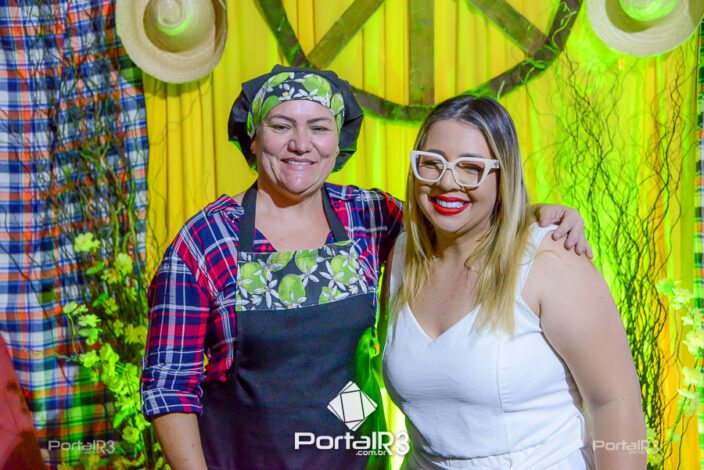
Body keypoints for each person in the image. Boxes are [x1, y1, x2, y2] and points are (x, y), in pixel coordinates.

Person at [141, 65, 592, 470]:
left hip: (357, 455)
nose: (301, 144)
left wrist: (534, 215)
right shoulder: (204, 241)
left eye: (319, 127)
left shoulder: (368, 216)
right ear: (254, 137)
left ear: (339, 142)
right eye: (281, 126)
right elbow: (169, 387)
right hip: (246, 455)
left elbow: (456, 217)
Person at [381, 95, 646, 469]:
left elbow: (614, 403)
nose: (446, 182)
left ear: (503, 174)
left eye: (471, 167)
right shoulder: (401, 256)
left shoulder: (551, 260)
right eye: (432, 163)